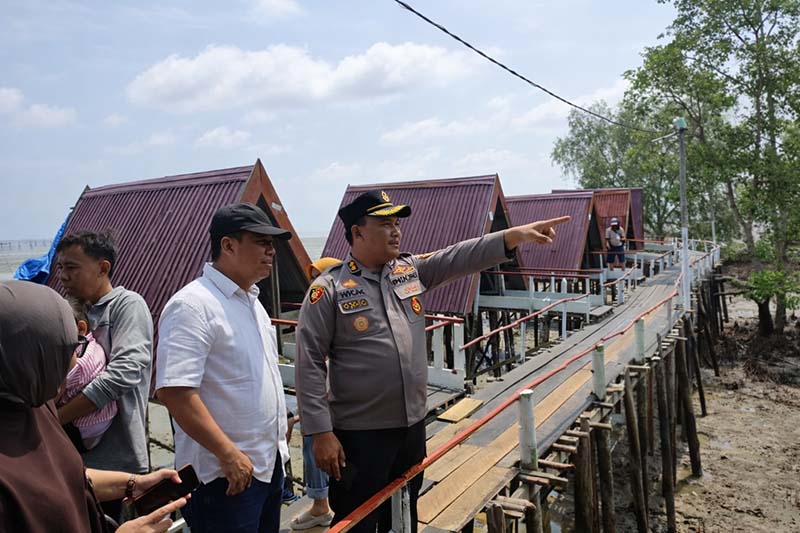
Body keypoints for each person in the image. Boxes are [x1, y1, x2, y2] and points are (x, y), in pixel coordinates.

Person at [295, 190, 570, 532]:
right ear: (357, 232)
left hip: (410, 428)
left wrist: (512, 236)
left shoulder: (409, 271)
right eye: (385, 224)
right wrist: (321, 432)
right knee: (358, 520)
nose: (396, 231)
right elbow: (308, 362)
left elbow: (459, 256)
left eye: (397, 224)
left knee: (405, 511)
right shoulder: (329, 289)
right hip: (360, 434)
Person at [0, 280, 187, 533]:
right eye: (63, 351)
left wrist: (132, 483)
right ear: (26, 357)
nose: (76, 360)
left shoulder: (37, 409)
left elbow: (71, 475)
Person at [156, 203, 293, 533]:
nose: (271, 251)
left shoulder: (253, 303)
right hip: (224, 476)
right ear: (228, 245)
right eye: (261, 242)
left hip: (267, 464)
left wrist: (280, 422)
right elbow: (175, 393)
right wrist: (227, 453)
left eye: (272, 244)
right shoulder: (192, 305)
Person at [55, 230, 154, 520]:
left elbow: (123, 373)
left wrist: (58, 418)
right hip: (73, 458)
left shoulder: (126, 305)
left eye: (72, 267)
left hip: (116, 460)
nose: (63, 276)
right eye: (60, 267)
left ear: (103, 268)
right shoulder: (71, 311)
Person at [289, 258, 341, 531]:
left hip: (333, 400)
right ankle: (322, 503)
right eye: (312, 281)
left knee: (317, 448)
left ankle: (322, 505)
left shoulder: (333, 307)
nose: (314, 286)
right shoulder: (320, 307)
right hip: (324, 397)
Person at [57, 298, 117, 451]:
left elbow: (52, 395)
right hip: (101, 421)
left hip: (82, 429)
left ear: (81, 328)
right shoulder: (92, 345)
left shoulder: (77, 363)